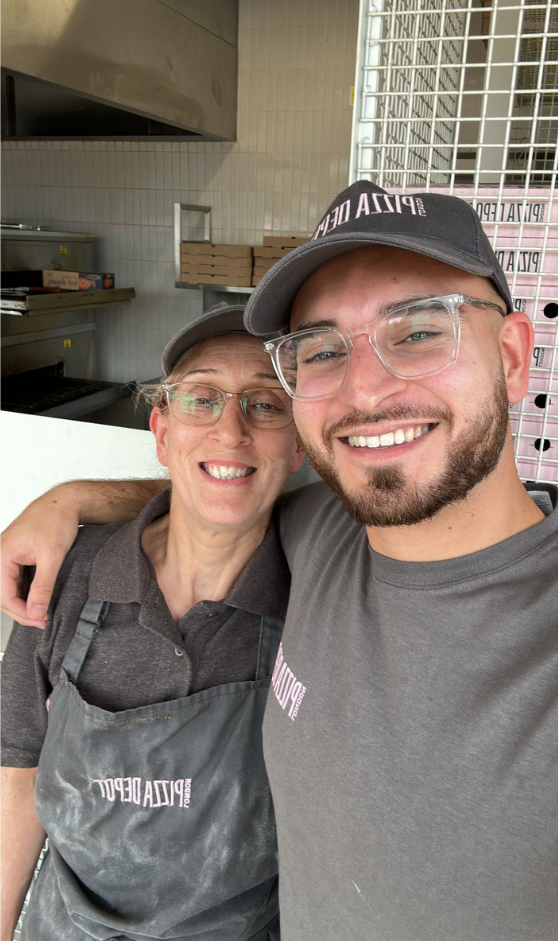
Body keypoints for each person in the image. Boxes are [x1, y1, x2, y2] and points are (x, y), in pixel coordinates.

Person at [0, 182, 556, 941]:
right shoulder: (323, 533)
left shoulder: (313, 558)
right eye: (324, 349)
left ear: (513, 355)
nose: (365, 387)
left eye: (420, 330)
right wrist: (68, 498)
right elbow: (216, 494)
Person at [0, 304, 303, 941]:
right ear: (161, 433)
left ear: (300, 442)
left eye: (266, 403)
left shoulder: (321, 588)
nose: (230, 431)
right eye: (202, 399)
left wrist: (72, 492)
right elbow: (16, 772)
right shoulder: (69, 572)